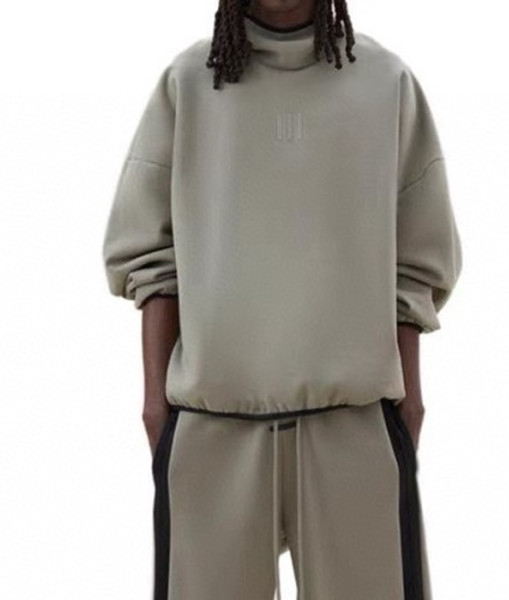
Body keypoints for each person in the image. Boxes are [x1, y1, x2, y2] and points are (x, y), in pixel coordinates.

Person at [101, 0, 463, 598]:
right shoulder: (188, 83)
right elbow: (149, 255)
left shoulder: (384, 82)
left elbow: (416, 259)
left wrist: (409, 402)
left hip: (354, 424)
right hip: (212, 427)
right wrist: (154, 405)